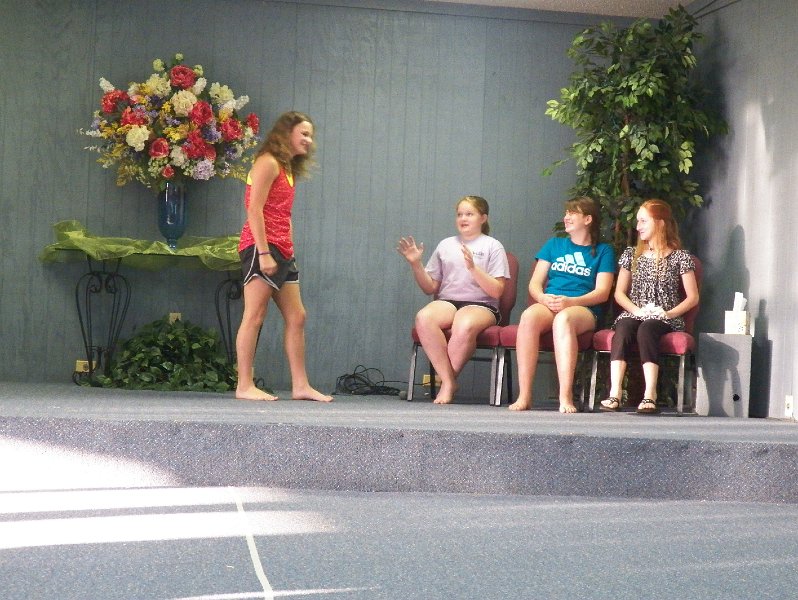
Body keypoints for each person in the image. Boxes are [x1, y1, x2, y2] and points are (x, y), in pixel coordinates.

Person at [235, 111, 332, 402]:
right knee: (255, 315)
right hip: (261, 247)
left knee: (297, 316)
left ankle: (300, 385)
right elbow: (254, 209)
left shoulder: (287, 168)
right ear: (286, 133)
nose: (308, 140)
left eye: (310, 135)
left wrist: (288, 247)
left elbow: (283, 214)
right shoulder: (267, 162)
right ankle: (244, 385)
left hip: (282, 249)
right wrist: (264, 252)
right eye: (304, 134)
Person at [397, 196, 510, 404]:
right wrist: (416, 264)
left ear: (483, 218)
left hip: (482, 304)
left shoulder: (493, 246)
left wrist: (473, 269)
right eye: (460, 214)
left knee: (464, 323)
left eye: (469, 214)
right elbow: (430, 287)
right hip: (448, 301)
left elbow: (497, 291)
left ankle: (446, 383)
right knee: (424, 317)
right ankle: (449, 382)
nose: (463, 218)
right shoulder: (446, 245)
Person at [509, 196, 615, 413]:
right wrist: (542, 298)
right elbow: (535, 284)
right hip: (550, 302)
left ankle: (565, 395)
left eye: (572, 213)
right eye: (566, 213)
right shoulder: (554, 245)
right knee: (528, 317)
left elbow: (602, 292)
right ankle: (525, 394)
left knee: (564, 319)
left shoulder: (604, 251)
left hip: (582, 308)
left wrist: (571, 302)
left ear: (587, 219)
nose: (566, 217)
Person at [600, 199, 699, 414]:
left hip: (665, 316)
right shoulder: (631, 254)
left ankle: (650, 393)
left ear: (660, 223)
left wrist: (667, 313)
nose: (638, 227)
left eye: (643, 221)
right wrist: (636, 311)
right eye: (638, 221)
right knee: (624, 327)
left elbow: (692, 297)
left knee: (647, 328)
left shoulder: (680, 257)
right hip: (636, 311)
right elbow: (619, 293)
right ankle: (615, 393)